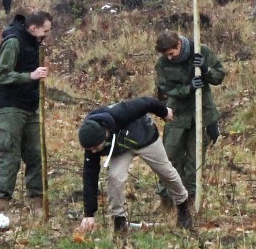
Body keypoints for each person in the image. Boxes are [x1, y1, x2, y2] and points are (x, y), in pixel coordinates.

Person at [77, 97, 193, 233]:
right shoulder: (90, 139)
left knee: (166, 173)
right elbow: (89, 176)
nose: (94, 151)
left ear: (104, 133)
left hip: (145, 138)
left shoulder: (120, 112)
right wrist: (89, 214)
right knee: (115, 178)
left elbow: (146, 102)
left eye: (96, 148)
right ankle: (119, 221)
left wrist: (163, 112)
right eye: (90, 149)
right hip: (121, 148)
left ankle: (183, 207)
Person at [154, 30, 226, 206]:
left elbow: (219, 76)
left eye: (171, 53)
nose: (169, 58)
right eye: (166, 55)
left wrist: (205, 69)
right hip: (176, 114)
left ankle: (190, 199)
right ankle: (167, 200)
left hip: (201, 113)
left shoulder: (201, 51)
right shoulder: (162, 63)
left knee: (195, 160)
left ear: (179, 44)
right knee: (170, 157)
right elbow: (165, 88)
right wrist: (188, 89)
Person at [0, 10, 53, 215]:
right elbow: (3, 75)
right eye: (44, 30)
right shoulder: (13, 42)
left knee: (36, 155)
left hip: (31, 107)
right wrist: (31, 76)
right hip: (11, 108)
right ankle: (0, 210)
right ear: (33, 28)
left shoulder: (36, 43)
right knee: (9, 156)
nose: (46, 35)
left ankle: (37, 207)